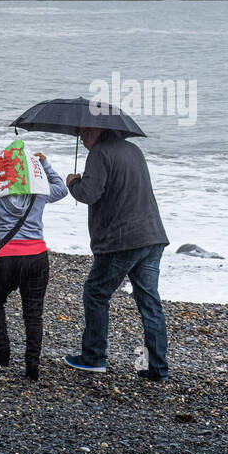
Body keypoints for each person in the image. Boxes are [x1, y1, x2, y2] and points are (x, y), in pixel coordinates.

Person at [63, 127, 170, 381]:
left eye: (84, 131)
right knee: (149, 304)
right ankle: (158, 370)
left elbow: (89, 194)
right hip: (152, 235)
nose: (81, 136)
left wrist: (73, 183)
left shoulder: (100, 153)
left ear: (98, 130)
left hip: (121, 240)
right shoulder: (133, 150)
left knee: (96, 293)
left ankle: (93, 357)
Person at [0, 146, 67, 379]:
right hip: (37, 257)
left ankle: (3, 351)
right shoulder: (39, 193)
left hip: (7, 257)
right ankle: (32, 367)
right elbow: (62, 189)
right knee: (33, 313)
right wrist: (46, 164)